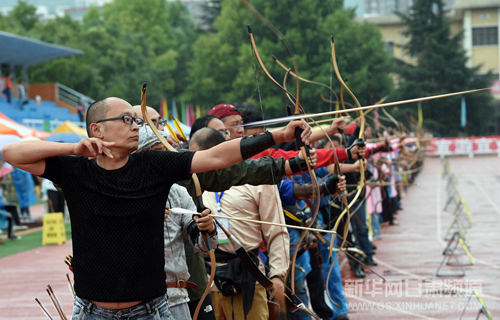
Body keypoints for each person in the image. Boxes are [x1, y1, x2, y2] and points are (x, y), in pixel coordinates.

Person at [2, 96, 311, 320]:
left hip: (151, 310)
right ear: (97, 130)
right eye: (126, 119)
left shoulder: (153, 165)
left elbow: (217, 157)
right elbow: (11, 152)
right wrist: (72, 148)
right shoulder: (75, 170)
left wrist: (279, 136)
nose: (136, 125)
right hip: (91, 311)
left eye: (136, 120)